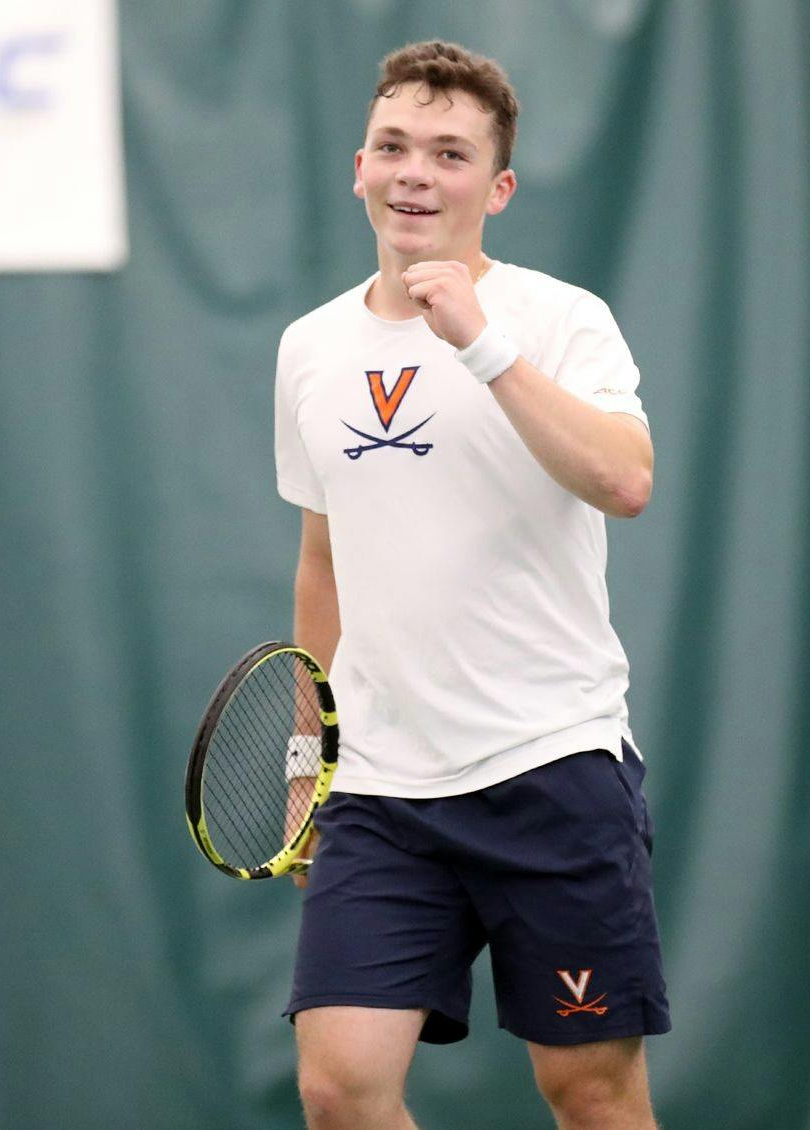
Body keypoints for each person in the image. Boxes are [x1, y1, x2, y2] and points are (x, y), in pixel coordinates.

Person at [273, 40, 668, 1130]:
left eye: (450, 154)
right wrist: (311, 764)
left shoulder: (560, 320)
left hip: (552, 764)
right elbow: (324, 557)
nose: (415, 172)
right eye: (394, 147)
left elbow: (625, 478)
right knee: (341, 1087)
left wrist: (480, 344)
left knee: (589, 1090)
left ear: (494, 188)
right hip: (382, 791)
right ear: (358, 166)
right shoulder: (309, 347)